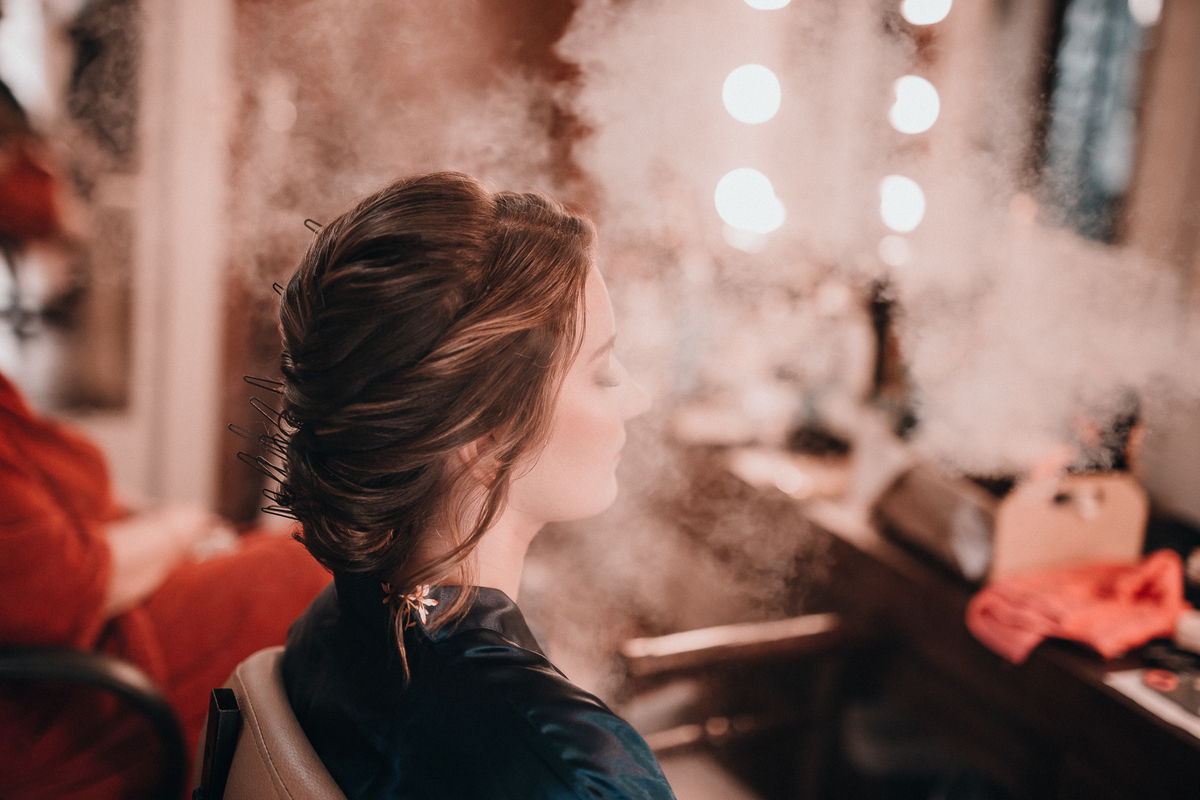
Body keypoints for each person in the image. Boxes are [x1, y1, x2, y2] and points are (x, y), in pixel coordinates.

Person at [277, 172, 672, 799]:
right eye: (602, 374)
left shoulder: (330, 625)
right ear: (486, 431)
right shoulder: (574, 769)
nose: (640, 399)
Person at [0, 79, 332, 798]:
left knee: (277, 555)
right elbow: (60, 589)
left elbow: (54, 502)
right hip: (56, 704)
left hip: (93, 623)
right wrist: (178, 526)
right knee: (313, 577)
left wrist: (170, 529)